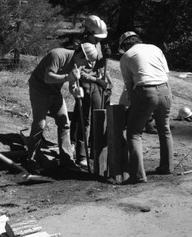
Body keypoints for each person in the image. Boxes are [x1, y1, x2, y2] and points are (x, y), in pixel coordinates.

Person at [26, 42, 99, 172]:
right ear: (80, 54)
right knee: (40, 124)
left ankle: (66, 160)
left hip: (54, 92)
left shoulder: (78, 64)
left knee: (64, 123)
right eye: (85, 62)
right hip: (39, 89)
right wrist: (68, 76)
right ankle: (32, 160)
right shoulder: (57, 55)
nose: (84, 66)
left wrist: (75, 91)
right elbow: (48, 77)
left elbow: (72, 84)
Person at [118, 31, 174, 183]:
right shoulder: (155, 49)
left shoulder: (126, 56)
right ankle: (167, 167)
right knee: (164, 129)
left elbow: (129, 87)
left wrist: (134, 106)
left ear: (124, 45)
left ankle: (137, 175)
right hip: (165, 90)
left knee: (134, 134)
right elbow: (165, 73)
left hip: (145, 91)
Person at [71, 15, 113, 167]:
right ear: (89, 32)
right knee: (84, 120)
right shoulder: (81, 48)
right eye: (96, 38)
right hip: (85, 85)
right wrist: (96, 80)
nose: (99, 40)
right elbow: (78, 72)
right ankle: (82, 155)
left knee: (99, 117)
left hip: (98, 84)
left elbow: (99, 66)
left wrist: (107, 79)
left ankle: (96, 151)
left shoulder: (98, 44)